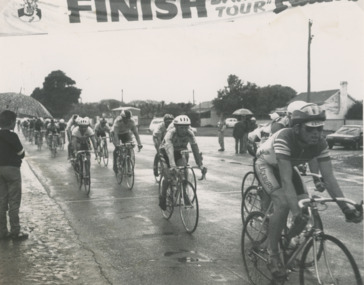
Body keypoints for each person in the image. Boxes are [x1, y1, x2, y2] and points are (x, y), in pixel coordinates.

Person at [254, 103, 362, 278]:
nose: (316, 134)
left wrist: (346, 209)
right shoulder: (285, 137)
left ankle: (288, 240)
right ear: (296, 128)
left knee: (305, 208)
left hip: (288, 166)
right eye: (310, 130)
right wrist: (294, 211)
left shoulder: (320, 143)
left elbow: (329, 178)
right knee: (282, 203)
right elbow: (286, 180)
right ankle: (272, 253)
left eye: (320, 129)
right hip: (266, 164)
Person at [158, 115, 205, 210]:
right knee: (168, 176)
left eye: (186, 127)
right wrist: (173, 166)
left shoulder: (190, 133)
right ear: (176, 127)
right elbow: (170, 151)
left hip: (179, 152)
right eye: (181, 128)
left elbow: (195, 149)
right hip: (166, 152)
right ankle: (162, 197)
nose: (184, 130)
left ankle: (184, 194)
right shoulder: (170, 134)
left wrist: (200, 165)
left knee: (184, 171)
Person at [0, 110, 28, 240]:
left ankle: (2, 231)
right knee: (14, 201)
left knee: (1, 201)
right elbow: (21, 153)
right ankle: (15, 231)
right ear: (11, 122)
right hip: (12, 171)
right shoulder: (13, 136)